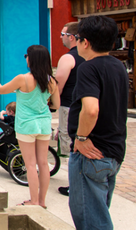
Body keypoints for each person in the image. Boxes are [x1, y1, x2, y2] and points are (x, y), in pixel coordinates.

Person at [68, 15, 128, 230]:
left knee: (91, 220)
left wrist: (82, 138)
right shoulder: (118, 66)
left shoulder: (89, 68)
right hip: (113, 151)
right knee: (99, 213)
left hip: (92, 153)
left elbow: (91, 109)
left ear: (85, 42)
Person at [0, 45, 59, 208]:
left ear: (31, 59)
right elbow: (57, 105)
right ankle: (42, 201)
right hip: (44, 124)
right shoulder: (51, 81)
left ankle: (33, 201)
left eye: (27, 55)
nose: (25, 58)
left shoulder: (23, 78)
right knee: (43, 163)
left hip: (26, 125)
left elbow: (1, 90)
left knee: (30, 164)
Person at [55, 21, 85, 197]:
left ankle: (74, 185)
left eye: (62, 34)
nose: (60, 37)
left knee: (70, 145)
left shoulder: (68, 58)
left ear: (72, 37)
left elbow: (58, 86)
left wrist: (51, 104)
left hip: (69, 106)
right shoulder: (88, 56)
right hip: (85, 105)